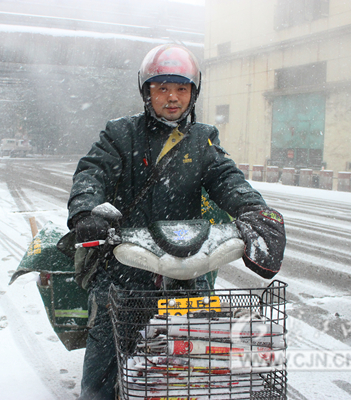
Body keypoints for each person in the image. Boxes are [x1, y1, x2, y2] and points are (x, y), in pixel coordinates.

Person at [66, 44, 286, 400]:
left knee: (201, 355)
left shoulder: (202, 139)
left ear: (193, 92)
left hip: (186, 263)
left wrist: (254, 212)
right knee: (106, 351)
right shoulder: (122, 134)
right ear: (146, 92)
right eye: (162, 88)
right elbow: (92, 172)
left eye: (181, 88)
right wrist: (85, 211)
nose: (172, 97)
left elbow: (227, 179)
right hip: (126, 263)